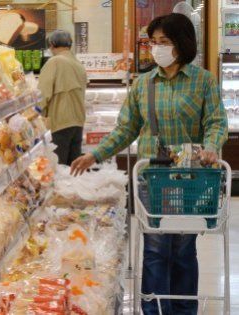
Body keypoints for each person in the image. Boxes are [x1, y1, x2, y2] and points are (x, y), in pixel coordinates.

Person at [70, 13, 228, 315]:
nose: (157, 49)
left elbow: (216, 122)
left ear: (181, 44)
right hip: (152, 178)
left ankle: (183, 310)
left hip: (190, 180)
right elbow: (125, 129)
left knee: (182, 248)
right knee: (155, 248)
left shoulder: (203, 81)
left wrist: (210, 147)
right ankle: (154, 310)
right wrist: (95, 154)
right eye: (153, 42)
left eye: (164, 42)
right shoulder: (144, 84)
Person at [37, 30, 87, 166]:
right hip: (78, 123)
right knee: (73, 169)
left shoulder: (55, 62)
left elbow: (42, 93)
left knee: (58, 169)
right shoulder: (78, 64)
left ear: (52, 44)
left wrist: (34, 116)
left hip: (60, 122)